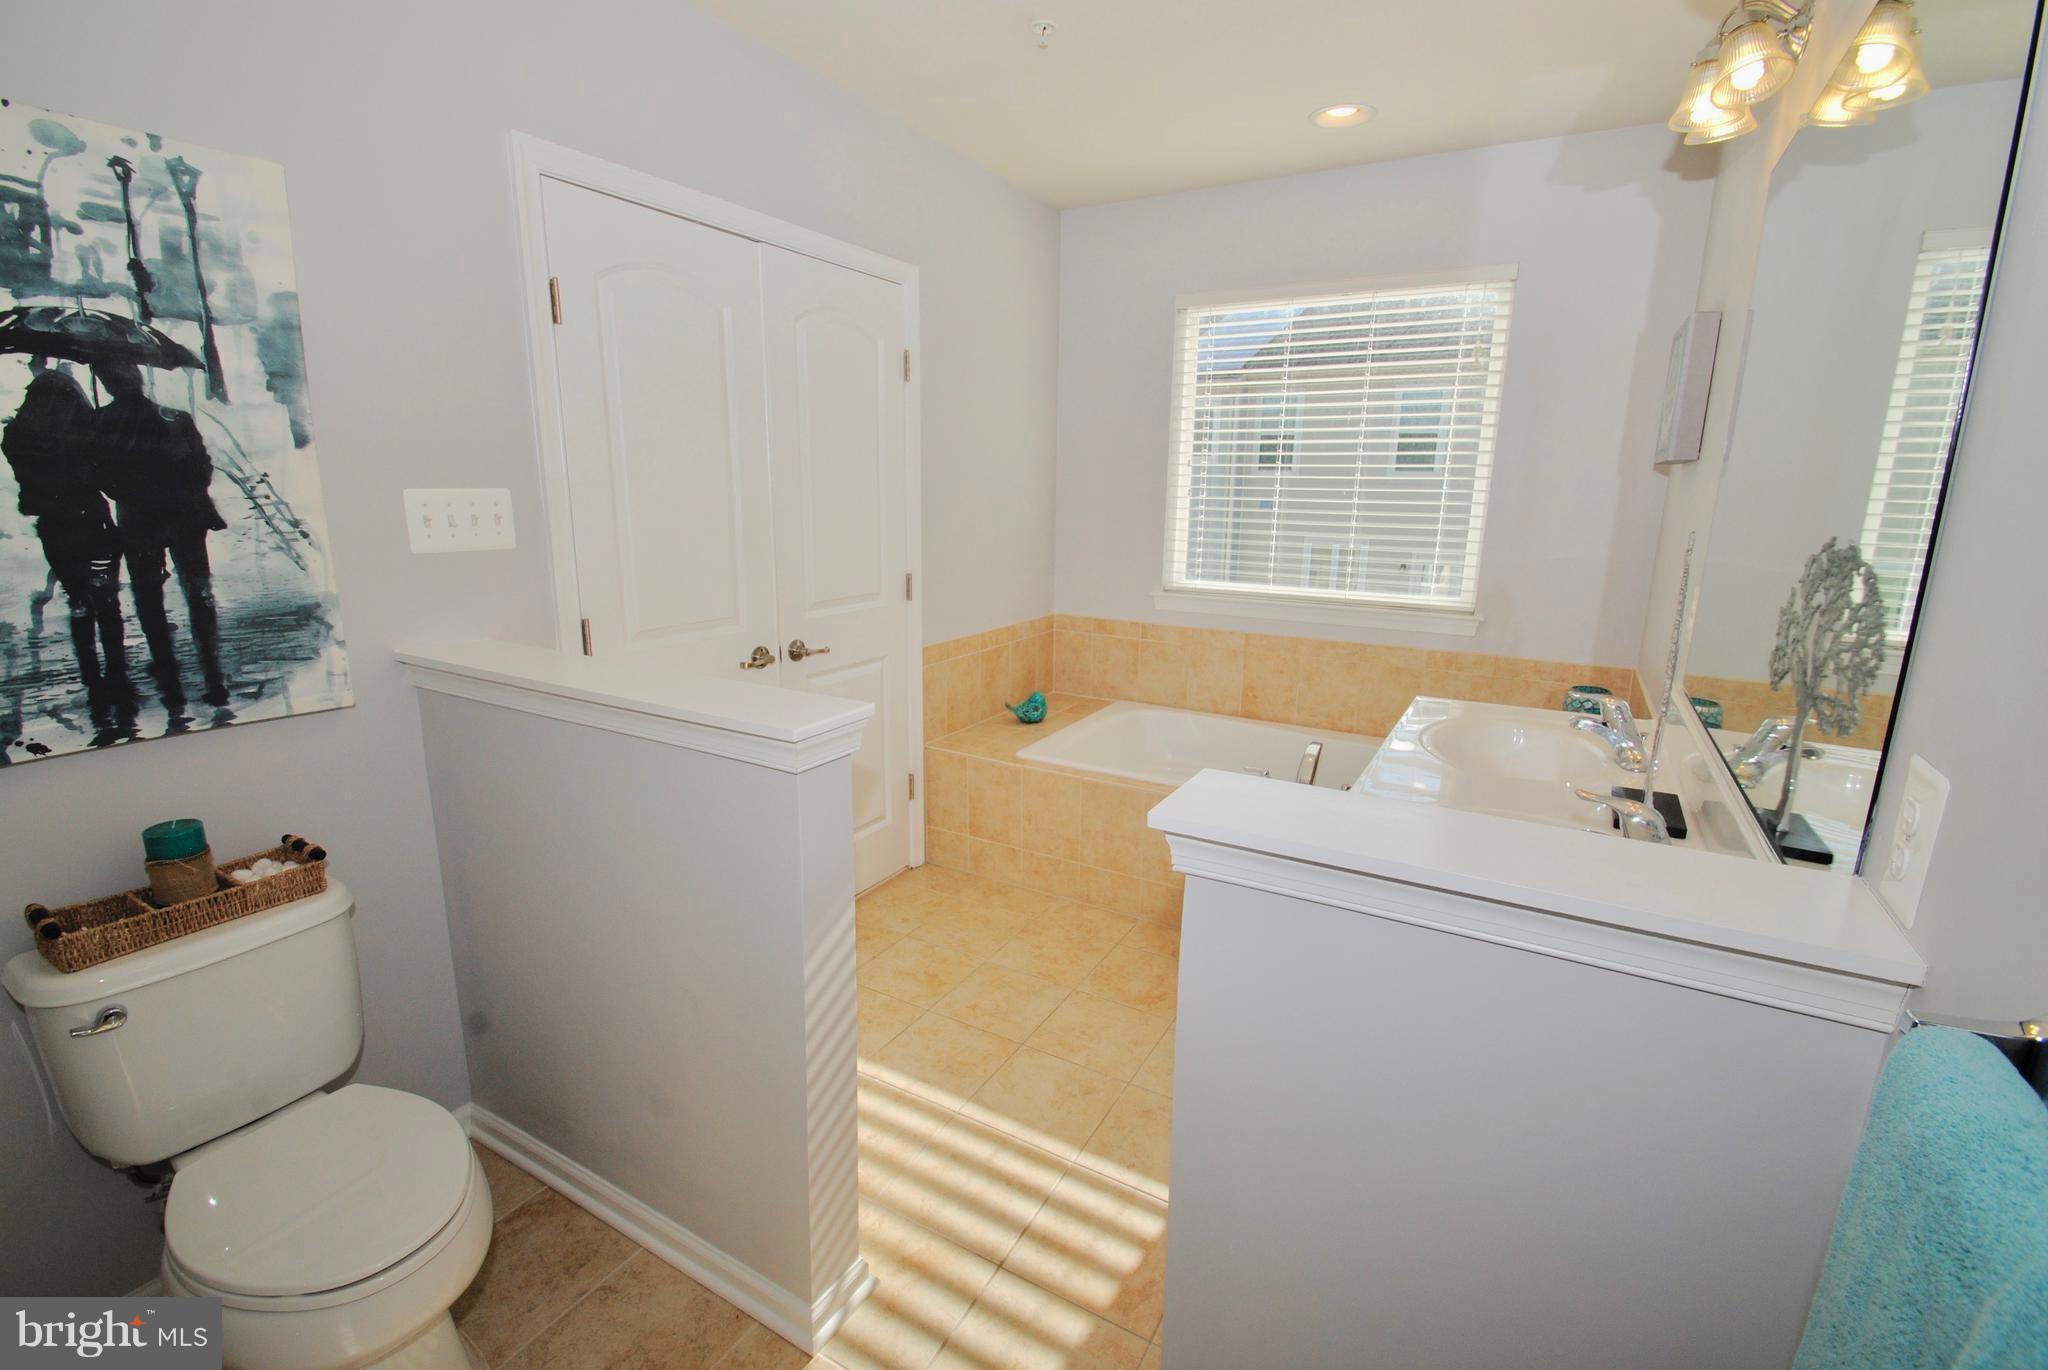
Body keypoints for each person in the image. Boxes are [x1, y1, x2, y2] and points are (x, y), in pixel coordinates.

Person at [89, 360, 229, 708]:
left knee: (149, 598)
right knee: (199, 592)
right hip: (185, 517)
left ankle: (170, 679)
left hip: (139, 522)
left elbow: (100, 477)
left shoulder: (101, 423)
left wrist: (132, 493)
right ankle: (213, 675)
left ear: (107, 384)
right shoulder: (175, 418)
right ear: (138, 380)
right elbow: (202, 467)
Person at [2, 362, 130, 699]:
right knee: (106, 597)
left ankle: (91, 677)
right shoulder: (86, 430)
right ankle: (116, 672)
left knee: (79, 600)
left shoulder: (17, 436)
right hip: (93, 521)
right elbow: (106, 474)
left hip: (54, 527)